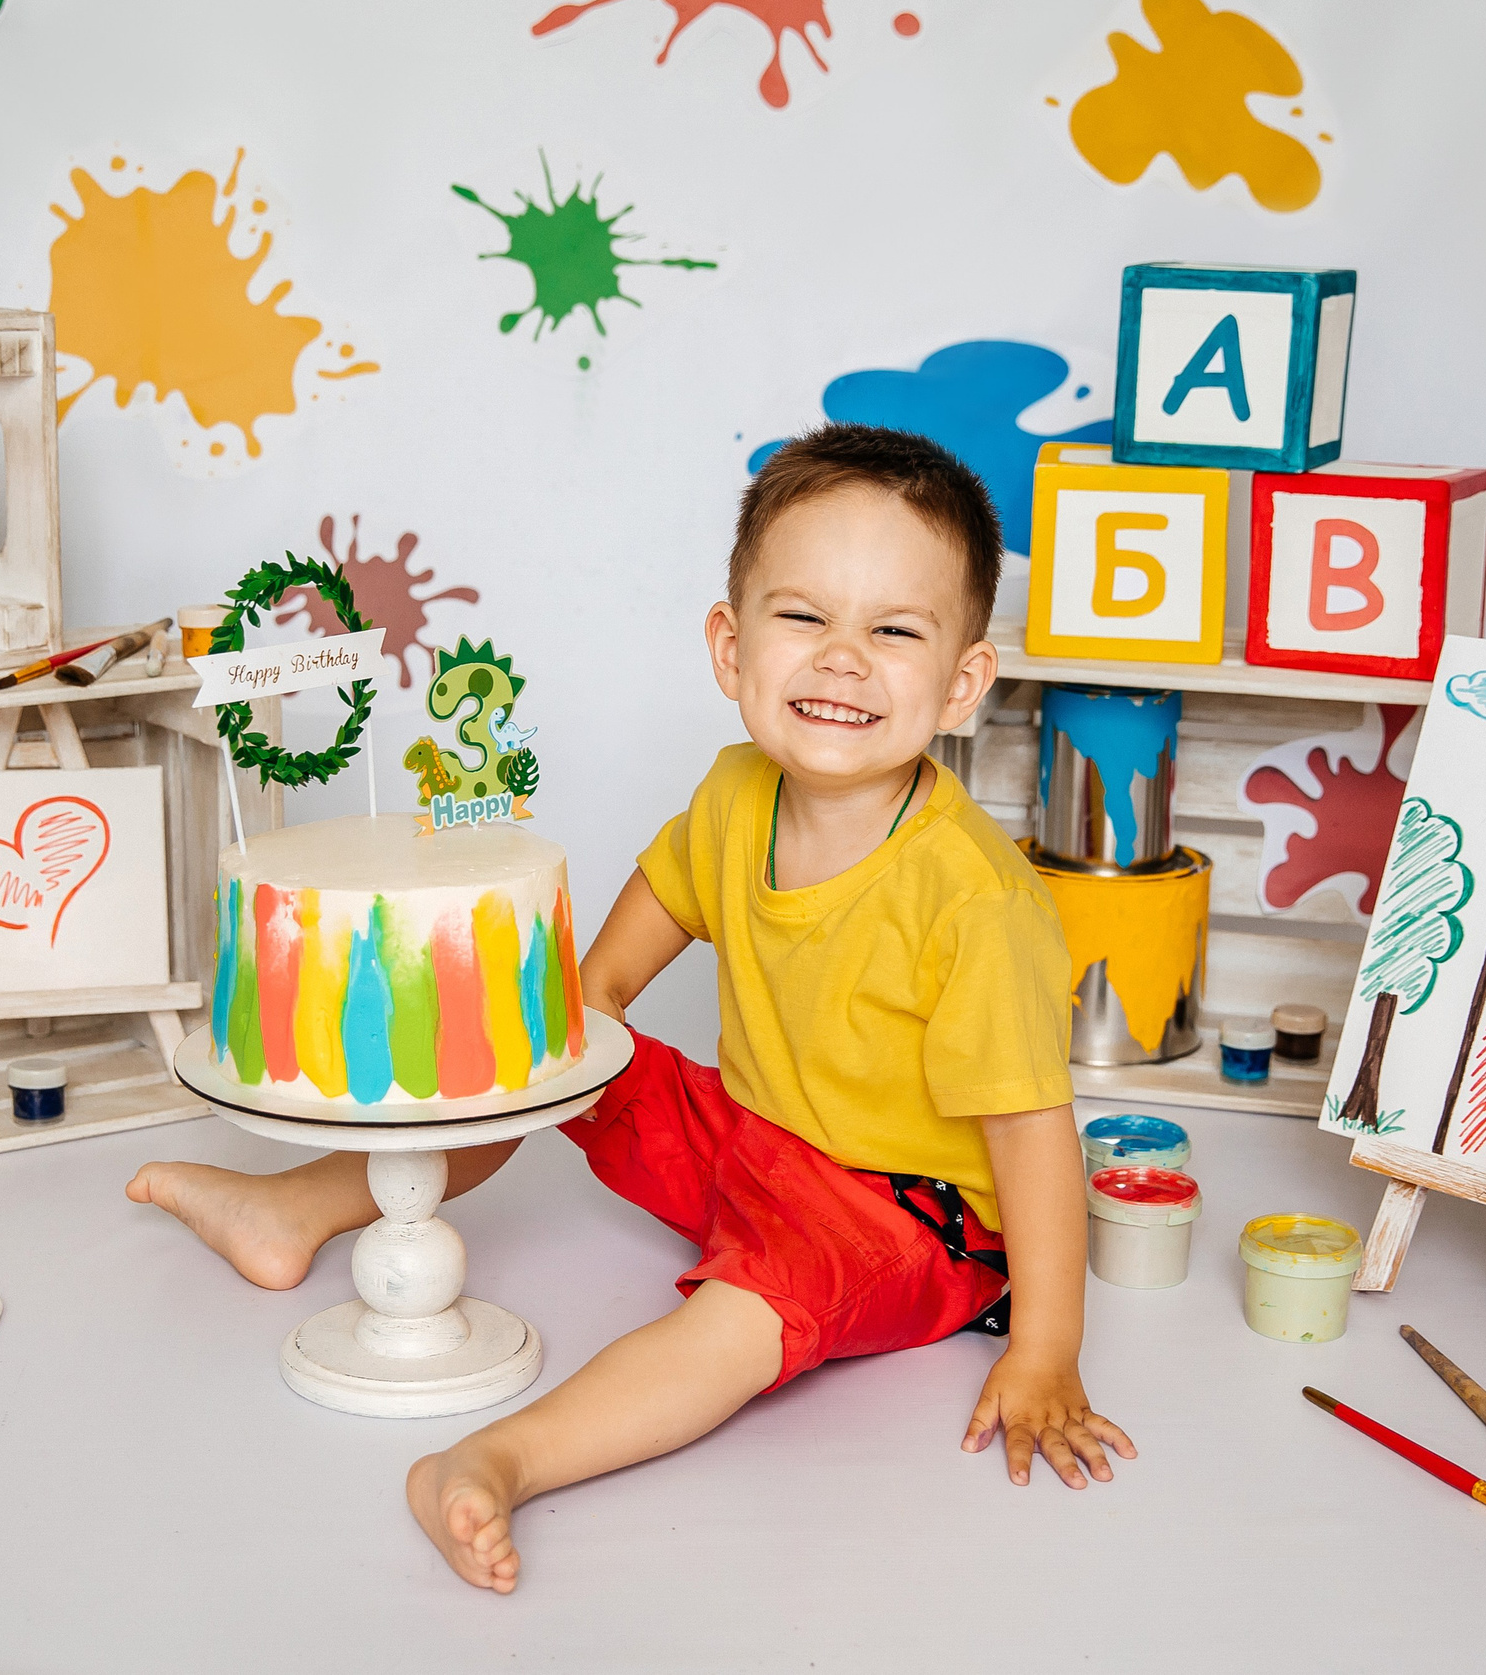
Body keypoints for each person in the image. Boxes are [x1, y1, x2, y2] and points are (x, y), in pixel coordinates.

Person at [128, 422, 1132, 1593]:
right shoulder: (736, 791)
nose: (842, 660)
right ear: (730, 647)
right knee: (549, 1050)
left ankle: (501, 1457)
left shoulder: (975, 902)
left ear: (962, 683)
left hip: (899, 1218)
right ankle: (298, 1206)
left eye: (894, 631)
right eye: (804, 616)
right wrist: (567, 1040)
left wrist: (1046, 1347)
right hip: (751, 1144)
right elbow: (612, 969)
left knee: (749, 1312)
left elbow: (1031, 1134)